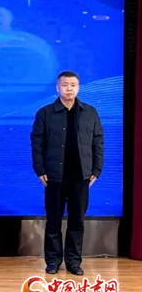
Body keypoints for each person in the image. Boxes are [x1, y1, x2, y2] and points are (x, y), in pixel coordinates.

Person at [32, 71, 103, 276]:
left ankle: (73, 261)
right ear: (58, 88)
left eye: (73, 85)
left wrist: (96, 169)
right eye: (65, 85)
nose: (69, 88)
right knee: (53, 220)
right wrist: (40, 169)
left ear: (78, 88)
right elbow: (37, 144)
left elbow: (98, 142)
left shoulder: (90, 112)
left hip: (81, 176)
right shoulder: (45, 113)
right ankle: (53, 261)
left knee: (77, 221)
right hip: (54, 176)